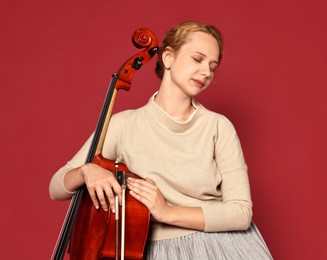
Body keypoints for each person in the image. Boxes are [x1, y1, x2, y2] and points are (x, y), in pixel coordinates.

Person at [49, 21, 273, 260]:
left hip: (219, 247)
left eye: (212, 66)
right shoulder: (123, 125)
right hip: (147, 249)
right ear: (168, 57)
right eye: (197, 59)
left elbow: (240, 213)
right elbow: (56, 187)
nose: (206, 71)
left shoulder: (218, 127)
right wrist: (86, 171)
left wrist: (167, 212)